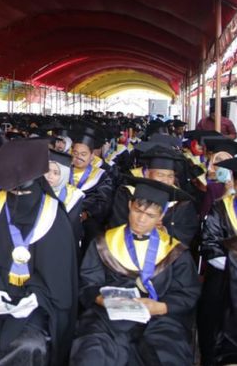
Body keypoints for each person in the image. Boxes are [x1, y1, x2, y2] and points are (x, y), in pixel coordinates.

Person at [0, 138, 77, 366]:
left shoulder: (55, 218)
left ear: (38, 184)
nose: (18, 198)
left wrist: (32, 299)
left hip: (37, 301)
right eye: (14, 193)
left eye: (25, 193)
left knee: (29, 343)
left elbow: (58, 279)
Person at [70, 178, 200, 365]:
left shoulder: (174, 251)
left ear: (161, 216)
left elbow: (187, 292)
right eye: (137, 211)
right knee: (93, 353)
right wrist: (104, 300)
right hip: (109, 317)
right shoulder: (103, 243)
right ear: (129, 205)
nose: (141, 219)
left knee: (167, 355)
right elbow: (88, 284)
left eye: (150, 215)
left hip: (159, 319)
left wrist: (161, 307)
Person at [108, 145, 199, 245]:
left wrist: (164, 231)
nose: (165, 180)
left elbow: (186, 233)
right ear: (147, 174)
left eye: (170, 176)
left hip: (164, 254)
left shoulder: (182, 203)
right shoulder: (127, 194)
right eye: (160, 175)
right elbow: (116, 225)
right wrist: (141, 226)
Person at [200, 157, 237, 364]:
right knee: (216, 333)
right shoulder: (220, 208)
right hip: (223, 280)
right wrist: (233, 264)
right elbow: (209, 244)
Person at [46, 149, 85, 247]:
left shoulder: (74, 196)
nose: (49, 176)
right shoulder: (36, 189)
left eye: (56, 173)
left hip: (60, 242)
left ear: (64, 174)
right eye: (47, 171)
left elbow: (72, 228)